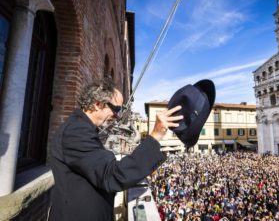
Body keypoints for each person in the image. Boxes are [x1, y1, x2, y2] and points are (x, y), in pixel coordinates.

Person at [49, 78, 183, 221]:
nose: (117, 116)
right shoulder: (77, 131)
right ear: (98, 104)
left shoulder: (82, 128)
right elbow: (112, 175)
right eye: (116, 109)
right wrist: (155, 135)